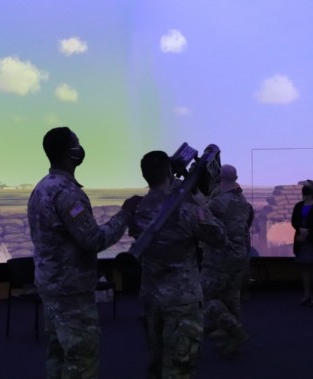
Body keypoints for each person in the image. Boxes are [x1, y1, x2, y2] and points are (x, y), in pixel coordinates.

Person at [27, 127, 141, 379]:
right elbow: (93, 240)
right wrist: (125, 213)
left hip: (51, 285)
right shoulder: (68, 194)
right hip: (72, 292)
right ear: (70, 152)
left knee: (57, 354)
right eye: (77, 144)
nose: (81, 148)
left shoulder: (41, 188)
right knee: (81, 358)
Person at [128, 151, 226, 379]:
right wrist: (202, 204)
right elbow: (219, 237)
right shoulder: (186, 210)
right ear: (170, 173)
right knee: (180, 369)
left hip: (152, 299)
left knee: (157, 362)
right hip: (183, 302)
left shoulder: (137, 209)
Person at [200, 164, 253, 355]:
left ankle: (234, 330)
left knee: (204, 296)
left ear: (219, 179)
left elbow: (201, 219)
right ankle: (230, 336)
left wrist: (198, 201)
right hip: (239, 256)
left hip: (219, 258)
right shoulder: (243, 200)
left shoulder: (219, 201)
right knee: (231, 296)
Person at [291, 179, 313, 307]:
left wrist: (308, 232)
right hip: (301, 240)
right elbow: (294, 220)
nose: (304, 189)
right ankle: (307, 294)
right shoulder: (299, 205)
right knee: (305, 268)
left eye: (307, 187)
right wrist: (300, 229)